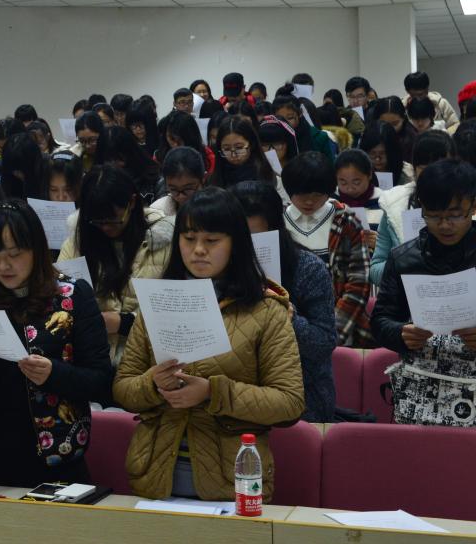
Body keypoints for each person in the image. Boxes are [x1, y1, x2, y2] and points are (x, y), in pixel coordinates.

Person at [113, 187, 304, 501]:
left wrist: (213, 392)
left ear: (235, 243)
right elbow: (123, 389)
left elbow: (289, 402)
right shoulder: (160, 299)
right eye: (189, 239)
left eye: (212, 240)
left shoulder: (266, 309)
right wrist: (153, 383)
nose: (198, 250)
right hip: (155, 472)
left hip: (233, 477)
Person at [0, 200, 112, 487]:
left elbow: (101, 381)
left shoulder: (72, 296)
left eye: (15, 254)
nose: (3, 266)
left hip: (53, 457)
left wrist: (55, 374)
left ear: (36, 250)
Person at [370, 159, 476, 425]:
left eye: (455, 215)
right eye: (434, 215)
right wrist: (401, 332)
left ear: (473, 207)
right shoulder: (404, 258)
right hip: (420, 383)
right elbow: (380, 320)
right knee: (420, 451)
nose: (445, 225)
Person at [232, 181, 337, 422]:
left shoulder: (307, 268)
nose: (244, 246)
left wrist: (290, 319)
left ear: (275, 228)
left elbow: (324, 344)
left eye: (253, 237)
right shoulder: (215, 267)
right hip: (232, 393)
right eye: (236, 237)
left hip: (301, 396)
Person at [59, 166, 172, 367]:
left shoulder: (162, 242)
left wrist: (123, 322)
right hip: (90, 355)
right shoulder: (77, 242)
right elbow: (59, 296)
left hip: (142, 358)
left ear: (132, 202)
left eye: (113, 221)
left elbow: (173, 311)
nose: (105, 228)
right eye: (98, 222)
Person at [281, 152, 371, 346]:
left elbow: (359, 282)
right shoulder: (277, 223)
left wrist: (332, 333)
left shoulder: (346, 221)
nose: (309, 202)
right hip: (285, 328)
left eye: (317, 195)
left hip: (339, 327)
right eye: (302, 195)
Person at [371, 129, 456, 286]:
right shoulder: (395, 204)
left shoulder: (467, 205)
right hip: (408, 296)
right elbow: (375, 270)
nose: (434, 177)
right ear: (415, 169)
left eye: (441, 168)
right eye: (425, 169)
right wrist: (405, 262)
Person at [94, 126, 160, 205]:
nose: (114, 165)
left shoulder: (155, 179)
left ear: (131, 153)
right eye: (108, 160)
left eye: (119, 158)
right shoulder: (96, 183)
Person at [208, 115, 278, 190]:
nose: (233, 155)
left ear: (252, 144)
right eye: (226, 149)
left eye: (239, 147)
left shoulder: (267, 175)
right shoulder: (214, 180)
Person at [334, 149, 382, 251]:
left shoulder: (384, 201)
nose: (350, 189)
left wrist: (381, 244)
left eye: (356, 182)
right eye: (343, 183)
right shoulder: (331, 201)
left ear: (369, 175)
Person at [272, 95, 335, 162]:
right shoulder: (271, 138)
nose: (285, 123)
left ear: (300, 113)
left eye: (290, 118)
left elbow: (329, 166)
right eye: (280, 119)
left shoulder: (319, 138)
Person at [149, 147, 206, 219]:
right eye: (174, 190)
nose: (181, 197)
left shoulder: (216, 208)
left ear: (203, 180)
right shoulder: (158, 212)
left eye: (188, 189)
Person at [1, 133, 51, 201]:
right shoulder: (5, 170)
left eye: (21, 171)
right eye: (14, 171)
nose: (17, 174)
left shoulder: (48, 168)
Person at [370, 97, 417, 164]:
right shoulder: (369, 136)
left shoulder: (412, 140)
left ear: (403, 119)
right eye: (384, 123)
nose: (389, 128)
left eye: (395, 124)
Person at [359, 121, 406, 187]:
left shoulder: (407, 176)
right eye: (372, 153)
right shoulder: (357, 173)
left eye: (382, 153)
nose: (377, 159)